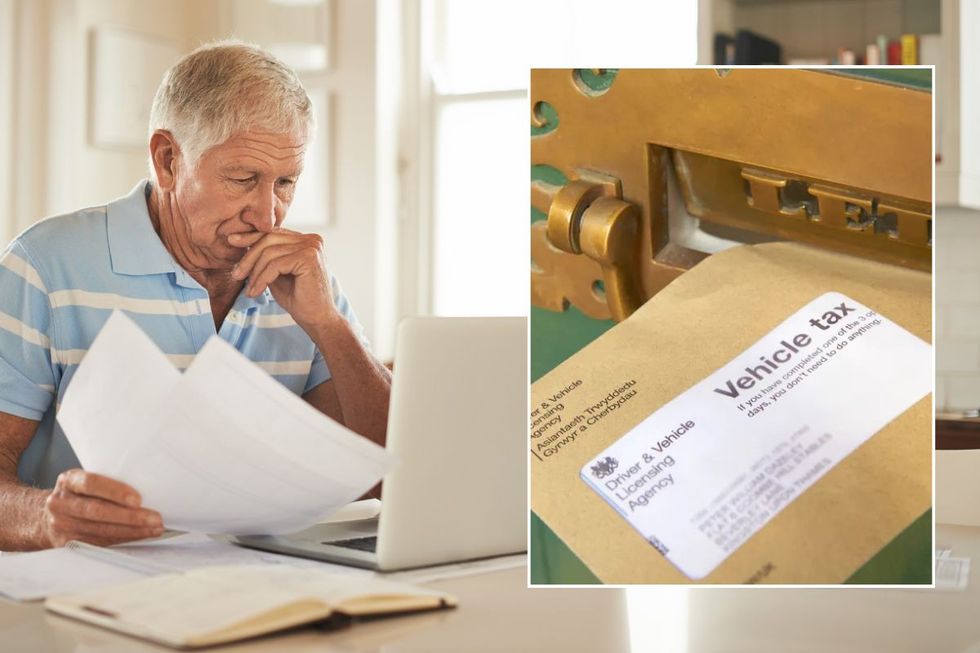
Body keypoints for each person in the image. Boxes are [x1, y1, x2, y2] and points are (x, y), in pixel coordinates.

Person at [0, 41, 391, 550]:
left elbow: (382, 483)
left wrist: (330, 327)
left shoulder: (303, 278)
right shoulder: (44, 264)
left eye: (285, 183)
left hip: (262, 587)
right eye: (243, 179)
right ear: (167, 161)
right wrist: (47, 520)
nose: (268, 215)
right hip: (86, 590)